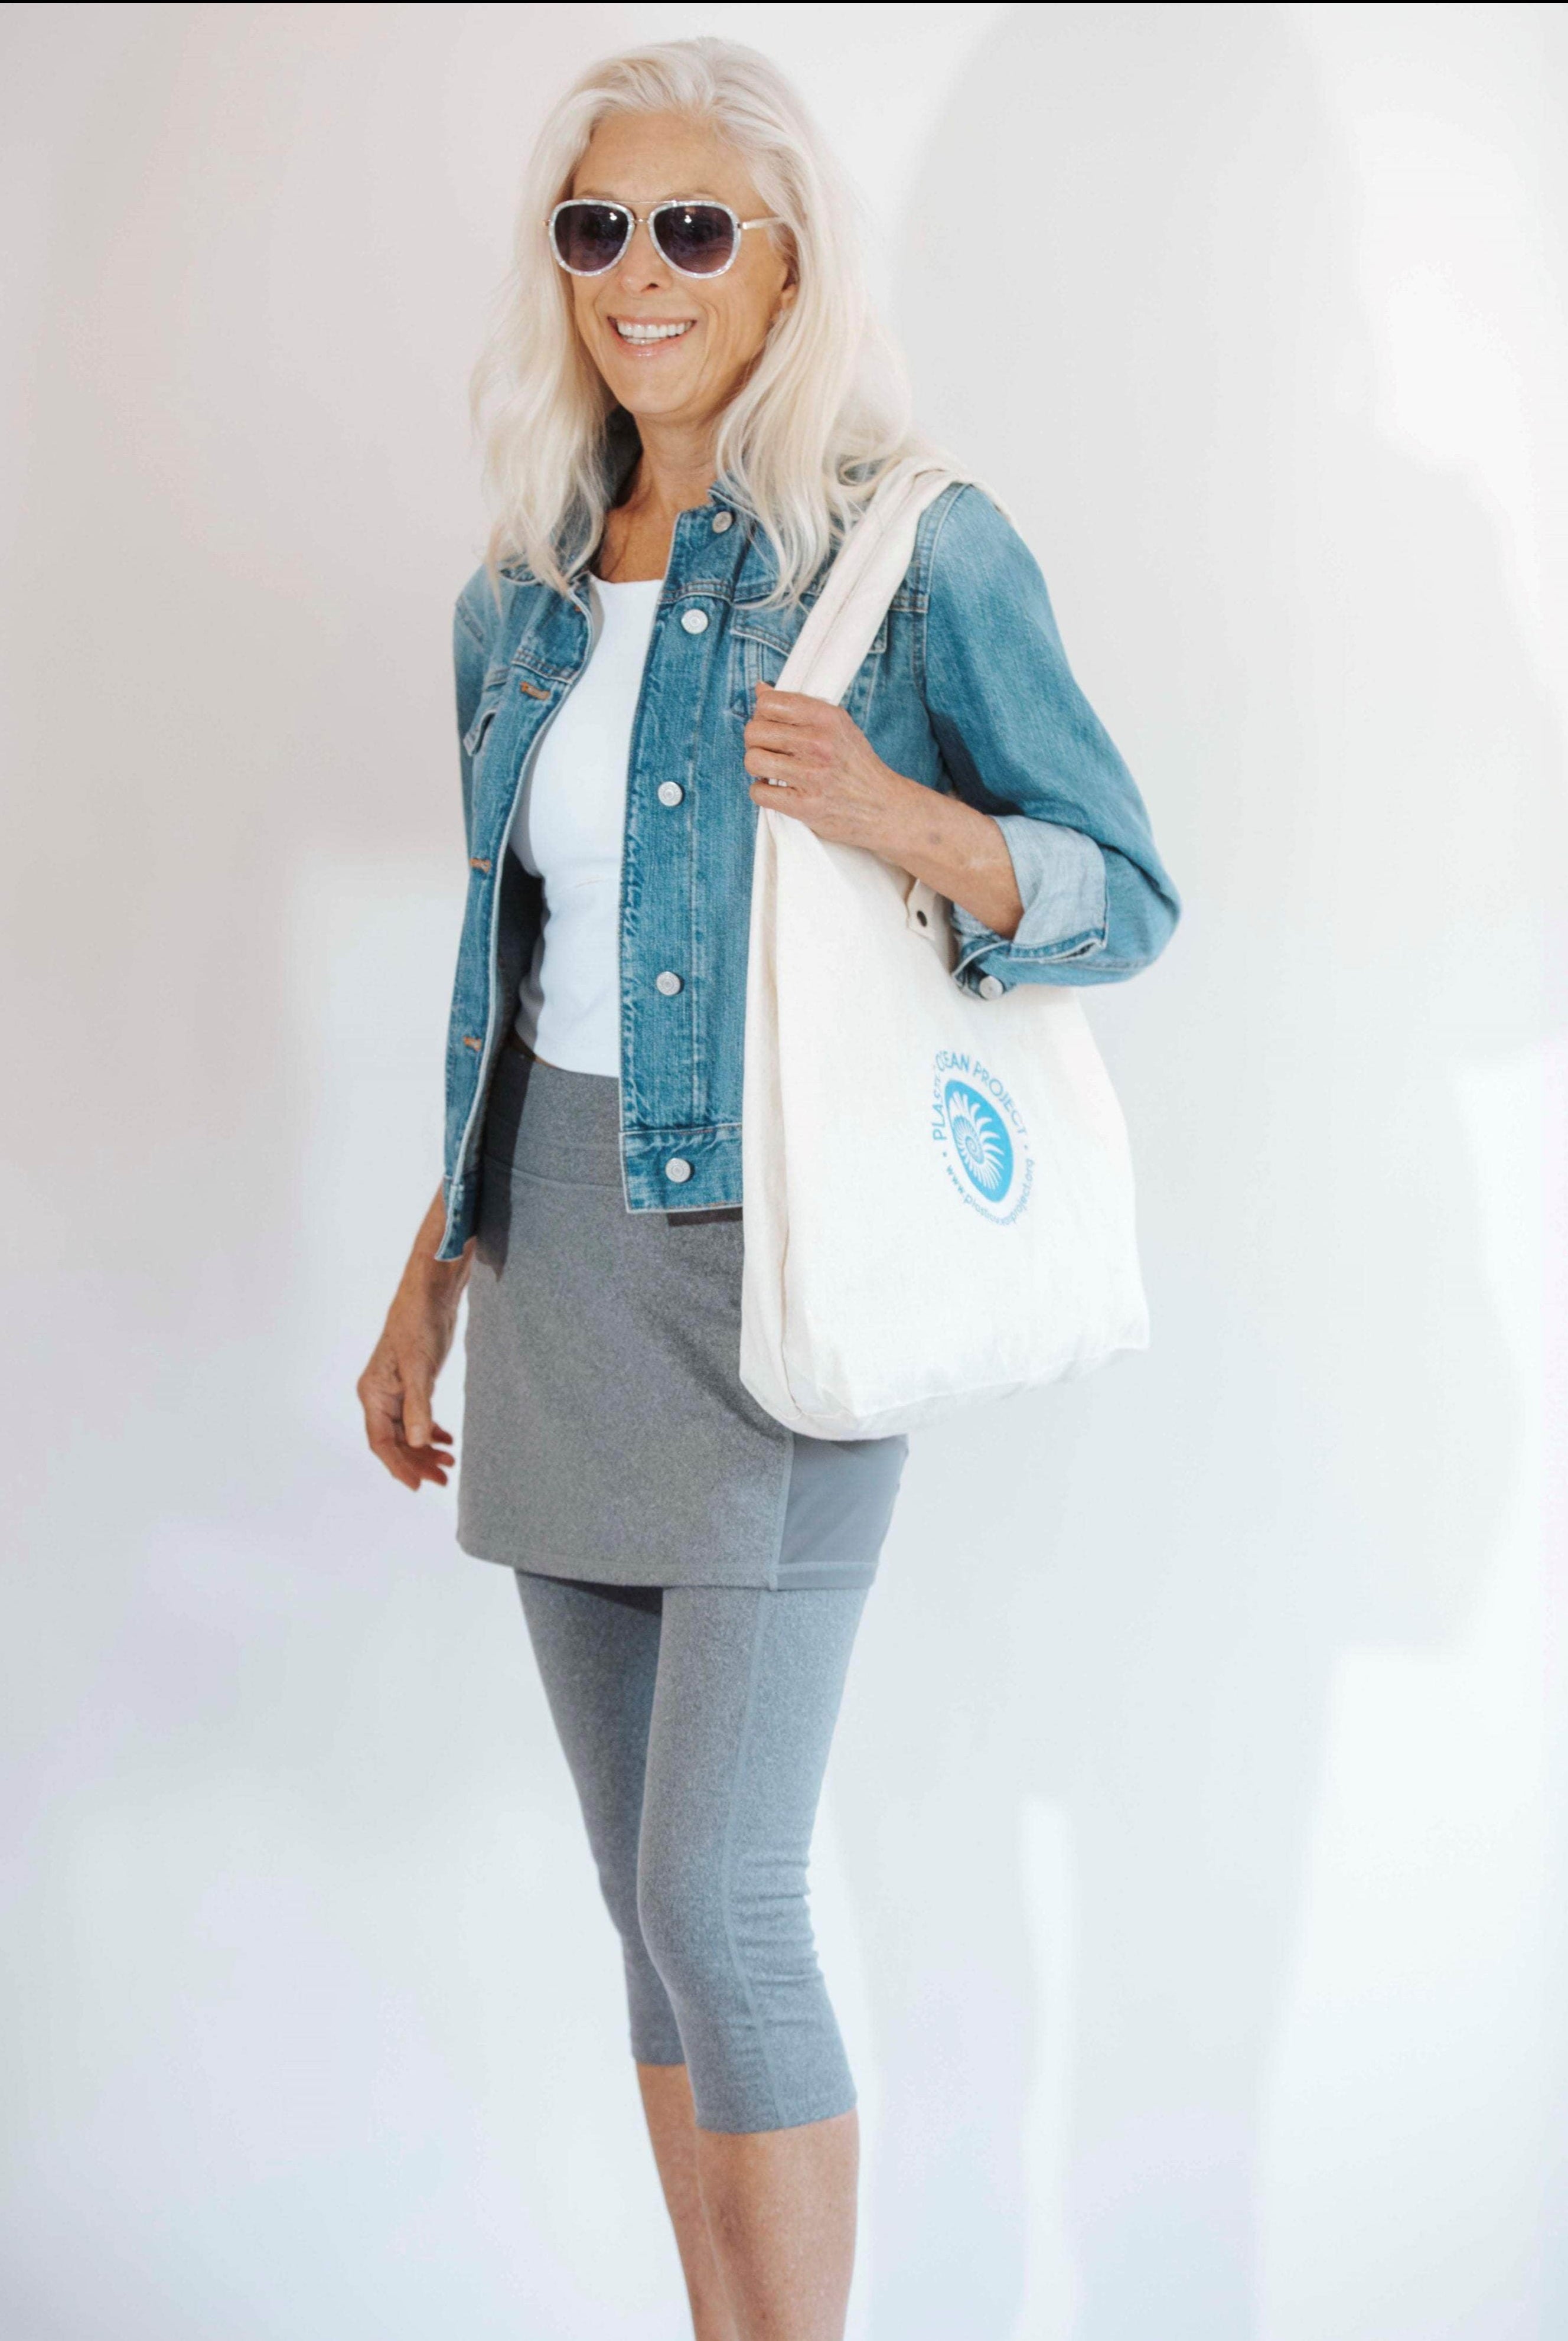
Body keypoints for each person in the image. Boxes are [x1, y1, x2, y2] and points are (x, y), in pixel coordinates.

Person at [356, 36, 1180, 2341]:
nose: (637, 274)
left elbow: (1124, 887)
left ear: (790, 255)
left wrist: (896, 817)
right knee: (644, 1902)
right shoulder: (513, 596)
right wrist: (431, 1270)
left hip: (782, 1269)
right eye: (592, 227)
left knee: (723, 1888)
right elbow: (508, 973)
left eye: (691, 226)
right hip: (552, 1263)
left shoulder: (908, 553)